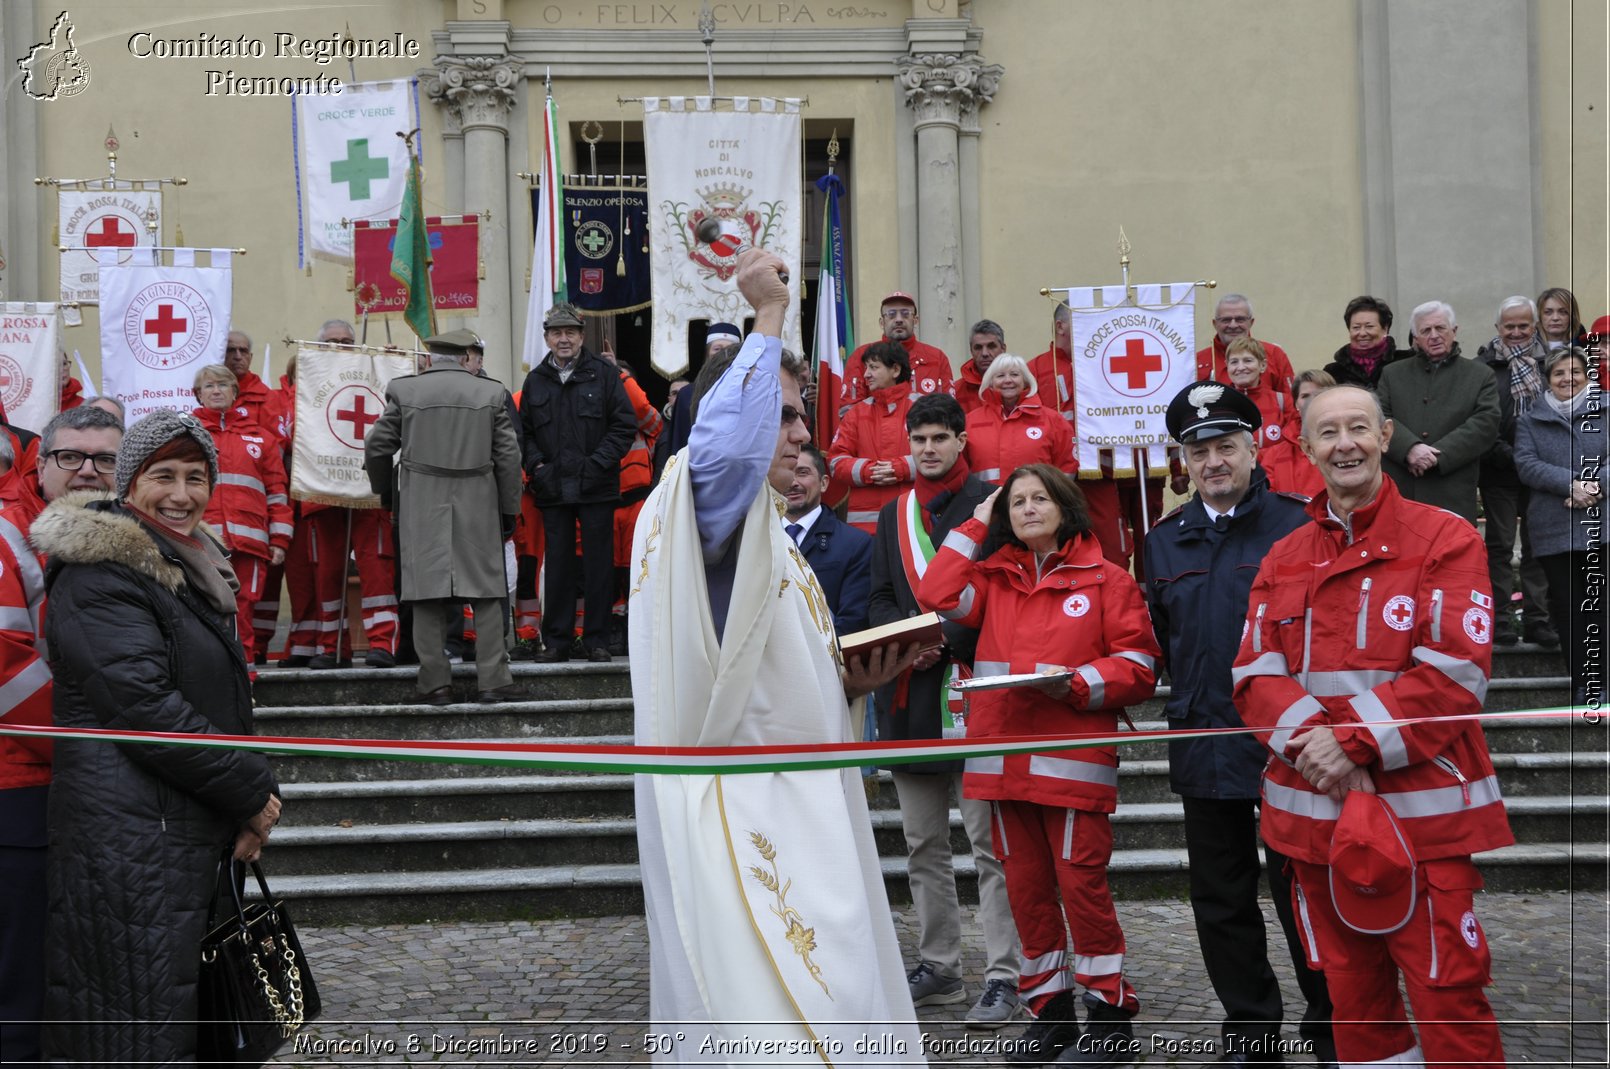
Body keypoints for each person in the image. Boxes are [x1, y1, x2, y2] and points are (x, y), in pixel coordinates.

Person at [630, 248, 923, 1059]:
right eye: (787, 413)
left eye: (801, 416)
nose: (802, 432)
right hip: (746, 808)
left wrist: (850, 683)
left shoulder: (767, 534)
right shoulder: (702, 500)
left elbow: (760, 666)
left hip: (803, 793)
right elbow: (726, 450)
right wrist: (765, 319)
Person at [1232, 385, 1514, 1068]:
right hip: (1314, 825)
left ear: (1386, 435)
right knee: (1354, 1004)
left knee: (1450, 995)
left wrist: (1348, 741)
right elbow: (1252, 673)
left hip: (1422, 824)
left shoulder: (1444, 536)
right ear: (1306, 449)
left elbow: (1454, 670)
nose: (1345, 443)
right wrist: (1322, 747)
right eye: (1328, 433)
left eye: (1359, 427)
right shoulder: (1284, 554)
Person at [32, 410, 282, 1065]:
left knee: (180, 1018)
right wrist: (251, 790)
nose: (181, 493)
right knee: (135, 1026)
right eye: (162, 475)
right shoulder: (100, 571)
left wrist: (239, 799)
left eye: (196, 477)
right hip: (130, 839)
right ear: (130, 484)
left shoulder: (187, 562)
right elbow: (143, 705)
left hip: (175, 824)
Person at [919, 464, 1160, 1067]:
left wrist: (1077, 684)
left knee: (1083, 894)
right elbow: (935, 592)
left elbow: (1139, 665)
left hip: (1072, 766)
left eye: (1039, 498)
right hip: (1002, 765)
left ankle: (1108, 1024)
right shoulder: (993, 581)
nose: (1027, 508)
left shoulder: (1107, 580)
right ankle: (1049, 1016)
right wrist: (979, 518)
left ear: (1065, 506)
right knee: (1027, 897)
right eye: (1017, 501)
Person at [1143, 381, 1335, 1066]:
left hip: (1292, 746)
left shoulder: (1299, 526)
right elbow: (1162, 638)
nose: (1214, 460)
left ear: (1255, 449)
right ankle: (1251, 1031)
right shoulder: (1163, 541)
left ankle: (1331, 1026)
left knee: (1305, 891)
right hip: (1205, 741)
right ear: (1185, 460)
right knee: (1220, 899)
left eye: (1227, 445)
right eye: (1200, 450)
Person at [867, 392, 1022, 1029]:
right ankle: (939, 965)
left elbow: (1009, 599)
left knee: (991, 846)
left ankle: (1008, 973)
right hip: (908, 700)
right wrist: (903, 643)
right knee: (922, 842)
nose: (928, 448)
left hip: (975, 695)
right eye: (919, 439)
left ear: (962, 440)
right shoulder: (889, 515)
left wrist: (942, 641)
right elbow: (876, 596)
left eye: (939, 437)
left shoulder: (994, 507)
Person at [366, 330, 525, 705]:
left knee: (425, 594)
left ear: (432, 356)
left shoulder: (406, 391)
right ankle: (494, 681)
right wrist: (509, 509)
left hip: (422, 503)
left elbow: (377, 446)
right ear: (463, 355)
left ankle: (435, 683)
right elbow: (509, 458)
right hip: (479, 501)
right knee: (486, 592)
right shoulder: (490, 392)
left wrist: (385, 492)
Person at [519, 303, 636, 662]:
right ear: (547, 338)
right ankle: (556, 641)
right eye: (557, 333)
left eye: (570, 332)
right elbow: (522, 434)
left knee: (598, 566)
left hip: (596, 488)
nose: (564, 339)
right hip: (553, 489)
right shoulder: (535, 379)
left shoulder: (604, 374)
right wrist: (538, 467)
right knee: (558, 567)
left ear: (582, 337)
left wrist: (596, 464)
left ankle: (597, 640)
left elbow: (624, 426)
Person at [294, 318, 402, 669]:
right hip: (323, 492)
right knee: (326, 575)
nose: (340, 346)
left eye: (346, 340)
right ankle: (331, 647)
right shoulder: (304, 382)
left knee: (377, 571)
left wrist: (393, 365)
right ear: (320, 346)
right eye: (332, 341)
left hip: (369, 491)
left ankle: (382, 642)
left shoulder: (376, 370)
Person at [1030, 301, 1163, 575]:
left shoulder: (1100, 361)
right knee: (1061, 545)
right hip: (1059, 477)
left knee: (1113, 547)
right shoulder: (1036, 368)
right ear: (1061, 326)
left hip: (1104, 471)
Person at [1515, 346, 1605, 703]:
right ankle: (1584, 683)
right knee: (1569, 608)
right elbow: (1525, 463)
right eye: (1559, 373)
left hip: (1604, 523)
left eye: (1575, 372)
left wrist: (1593, 487)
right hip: (1555, 527)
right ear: (1548, 379)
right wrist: (1571, 485)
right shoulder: (1529, 420)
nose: (1568, 379)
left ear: (1587, 375)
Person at [192, 364, 293, 667]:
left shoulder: (262, 439)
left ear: (235, 392)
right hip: (201, 540)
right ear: (198, 394)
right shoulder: (187, 436)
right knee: (202, 605)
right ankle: (210, 672)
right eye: (209, 386)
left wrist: (280, 539)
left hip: (250, 542)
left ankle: (244, 673)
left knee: (244, 608)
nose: (216, 391)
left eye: (223, 385)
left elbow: (277, 492)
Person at [1477, 296, 1557, 647]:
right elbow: (1482, 421)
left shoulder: (1550, 364)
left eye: (1524, 325)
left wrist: (1534, 461)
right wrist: (1514, 457)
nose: (1517, 332)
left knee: (1538, 548)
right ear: (1498, 328)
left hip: (1540, 473)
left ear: (1535, 326)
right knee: (1499, 547)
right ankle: (1500, 620)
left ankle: (1539, 621)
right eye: (1509, 326)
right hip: (1499, 471)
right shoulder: (1483, 367)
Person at [1376, 301, 1500, 524]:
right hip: (1402, 489)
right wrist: (1409, 449)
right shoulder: (1392, 374)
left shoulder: (1480, 375)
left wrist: (1435, 456)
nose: (1434, 335)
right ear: (1415, 338)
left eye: (1440, 328)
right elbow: (1380, 418)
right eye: (1425, 330)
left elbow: (1485, 423)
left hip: (1452, 490)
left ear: (1454, 331)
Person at [827, 340, 917, 533]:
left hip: (912, 523)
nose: (866, 374)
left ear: (895, 370)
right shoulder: (856, 413)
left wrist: (901, 468)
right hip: (865, 528)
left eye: (874, 367)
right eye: (866, 367)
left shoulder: (923, 408)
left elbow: (942, 457)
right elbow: (835, 461)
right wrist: (869, 471)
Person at [783, 444, 872, 635]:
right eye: (787, 472)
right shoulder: (756, 539)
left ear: (824, 483)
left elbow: (852, 622)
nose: (793, 482)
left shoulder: (855, 544)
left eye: (802, 473)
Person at [964, 353, 1077, 484]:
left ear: (1025, 381)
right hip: (985, 503)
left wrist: (1052, 498)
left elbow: (1067, 467)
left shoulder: (1053, 420)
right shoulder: (970, 422)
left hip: (1034, 502)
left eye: (1014, 374)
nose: (1008, 380)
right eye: (1000, 376)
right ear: (990, 383)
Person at [838, 291, 954, 414]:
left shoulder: (937, 358)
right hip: (877, 431)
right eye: (891, 314)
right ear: (882, 322)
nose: (899, 319)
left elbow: (950, 410)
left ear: (915, 320)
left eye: (905, 314)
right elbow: (848, 411)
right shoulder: (861, 356)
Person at [1195, 294, 1297, 397]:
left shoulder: (1274, 354)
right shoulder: (1197, 361)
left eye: (1240, 319)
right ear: (1215, 324)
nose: (1233, 325)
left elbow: (1292, 402)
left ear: (1251, 322)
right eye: (1226, 320)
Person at [1261, 370, 1333, 498]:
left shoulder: (1347, 446)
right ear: (1296, 404)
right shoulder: (1274, 455)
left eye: (1319, 394)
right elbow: (1268, 500)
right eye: (1305, 396)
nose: (1312, 401)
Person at [1223, 338, 1290, 450]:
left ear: (1262, 365)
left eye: (1248, 361)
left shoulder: (1283, 401)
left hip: (1274, 467)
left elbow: (1292, 446)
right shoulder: (1219, 404)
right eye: (1234, 362)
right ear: (1227, 366)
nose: (1240, 367)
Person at [1323, 296, 1401, 389]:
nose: (1362, 333)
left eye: (1369, 326)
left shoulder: (1404, 363)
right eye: (1356, 327)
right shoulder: (1332, 372)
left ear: (1385, 329)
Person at [957, 318, 1007, 415]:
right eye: (978, 348)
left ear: (1003, 349)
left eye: (991, 346)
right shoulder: (957, 392)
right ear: (971, 351)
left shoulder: (1017, 386)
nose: (985, 353)